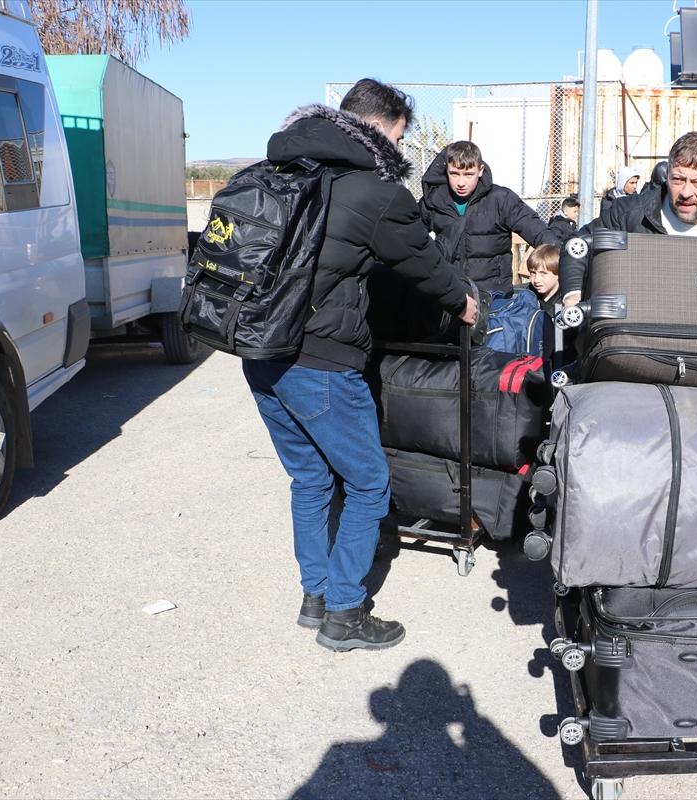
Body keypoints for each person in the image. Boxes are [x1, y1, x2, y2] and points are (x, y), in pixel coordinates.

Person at [247, 79, 479, 652]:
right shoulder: (374, 192)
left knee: (310, 478)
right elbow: (423, 264)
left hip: (258, 353)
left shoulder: (280, 172)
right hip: (321, 361)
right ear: (379, 129)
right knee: (370, 485)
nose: (400, 149)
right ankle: (345, 612)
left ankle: (315, 595)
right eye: (399, 137)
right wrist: (464, 302)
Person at [560, 131, 697, 303]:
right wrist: (574, 294)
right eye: (678, 179)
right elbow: (577, 246)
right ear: (667, 174)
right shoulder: (627, 215)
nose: (686, 192)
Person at [419, 140, 559, 294]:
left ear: (480, 170)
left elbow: (539, 232)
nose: (460, 182)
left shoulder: (501, 199)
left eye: (468, 175)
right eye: (454, 174)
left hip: (493, 298)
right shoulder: (434, 201)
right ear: (446, 170)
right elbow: (410, 239)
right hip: (450, 295)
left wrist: (566, 261)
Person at [525, 243, 561, 311]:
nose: (536, 280)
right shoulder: (528, 296)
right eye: (533, 273)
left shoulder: (565, 303)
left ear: (558, 273)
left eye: (543, 273)